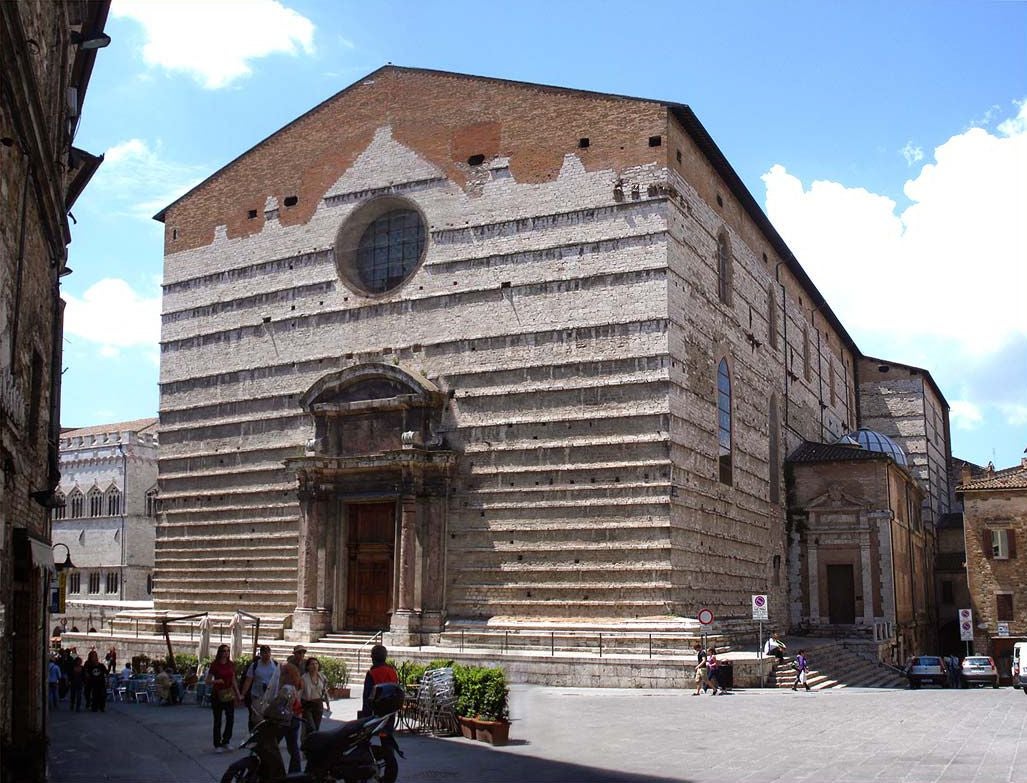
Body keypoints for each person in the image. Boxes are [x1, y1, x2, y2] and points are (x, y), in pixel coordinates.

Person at [206, 644, 241, 751]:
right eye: (224, 651)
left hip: (229, 693)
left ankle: (226, 740)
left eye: (227, 651)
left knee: (230, 718)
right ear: (220, 652)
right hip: (217, 694)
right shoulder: (215, 665)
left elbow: (233, 679)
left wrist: (238, 693)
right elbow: (207, 680)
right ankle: (217, 744)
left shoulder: (231, 664)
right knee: (218, 720)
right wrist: (217, 681)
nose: (226, 653)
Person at [241, 645, 278, 731]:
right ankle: (253, 735)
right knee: (256, 718)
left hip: (271, 697)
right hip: (257, 696)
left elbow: (278, 679)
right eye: (264, 653)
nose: (267, 655)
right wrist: (243, 694)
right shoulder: (255, 665)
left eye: (268, 652)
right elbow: (248, 680)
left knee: (269, 718)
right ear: (261, 654)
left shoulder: (275, 665)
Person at [277, 663, 305, 774]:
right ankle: (295, 771)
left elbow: (280, 704)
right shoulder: (295, 686)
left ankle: (277, 770)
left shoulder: (286, 688)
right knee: (293, 747)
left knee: (273, 744)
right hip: (294, 719)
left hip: (285, 720)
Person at [361, 644, 399, 717]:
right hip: (390, 711)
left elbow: (367, 697)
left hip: (376, 713)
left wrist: (365, 716)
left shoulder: (372, 674)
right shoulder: (393, 672)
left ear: (373, 657)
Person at [300, 657, 330, 738]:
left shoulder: (321, 676)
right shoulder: (304, 678)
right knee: (311, 727)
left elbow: (324, 690)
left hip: (318, 704)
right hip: (307, 705)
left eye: (316, 664)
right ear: (308, 666)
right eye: (312, 664)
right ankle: (305, 743)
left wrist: (327, 704)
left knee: (316, 728)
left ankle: (312, 745)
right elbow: (300, 692)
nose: (314, 666)